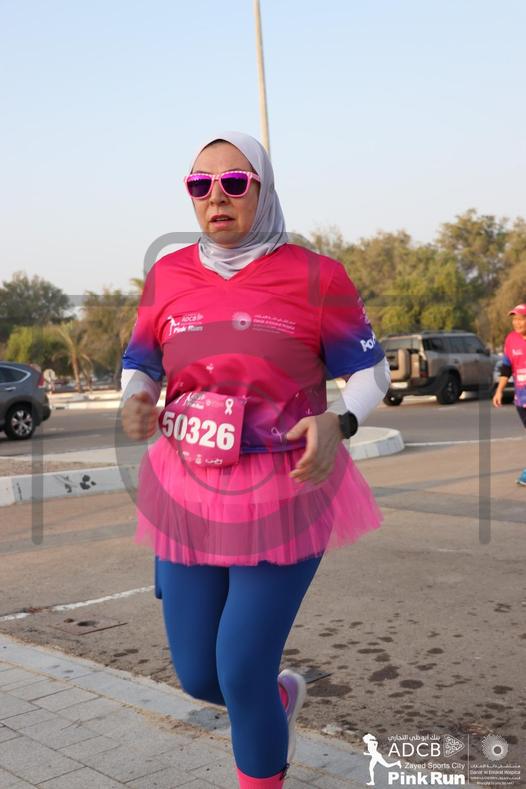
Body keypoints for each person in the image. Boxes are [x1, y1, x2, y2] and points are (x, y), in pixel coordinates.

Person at [120, 131, 391, 788]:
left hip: (285, 484)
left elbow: (371, 371)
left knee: (241, 669)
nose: (216, 196)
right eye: (200, 184)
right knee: (200, 675)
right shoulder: (167, 276)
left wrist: (340, 420)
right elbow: (141, 361)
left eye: (234, 182)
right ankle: (277, 702)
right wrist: (137, 397)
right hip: (186, 486)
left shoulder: (317, 276)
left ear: (262, 191)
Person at [492, 303, 526, 486]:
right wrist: (499, 391)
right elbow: (506, 368)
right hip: (521, 398)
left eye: (521, 319)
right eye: (515, 319)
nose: (517, 323)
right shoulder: (511, 340)